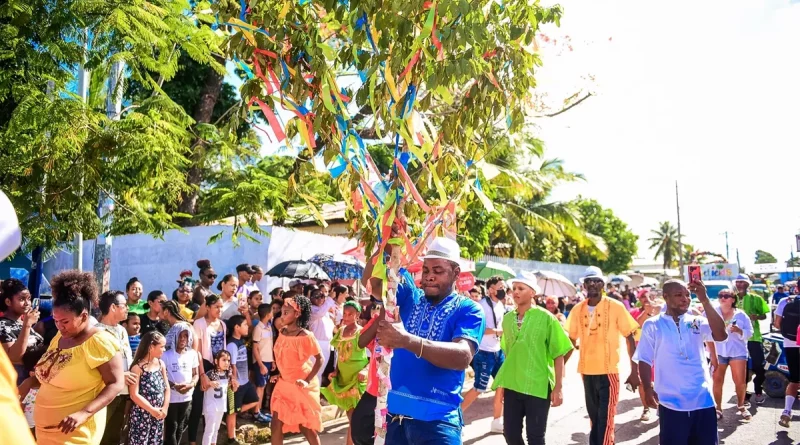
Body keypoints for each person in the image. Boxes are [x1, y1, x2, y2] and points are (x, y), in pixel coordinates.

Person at [365, 233, 485, 444]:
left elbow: (462, 356)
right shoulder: (410, 295)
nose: (429, 276)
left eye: (438, 271)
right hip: (394, 420)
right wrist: (386, 242)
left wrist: (407, 341)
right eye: (426, 270)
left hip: (437, 424)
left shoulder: (469, 309)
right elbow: (372, 284)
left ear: (456, 273)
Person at [34, 270, 125, 445]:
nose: (60, 326)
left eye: (65, 322)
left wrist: (84, 413)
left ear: (83, 316)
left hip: (76, 433)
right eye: (56, 321)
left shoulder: (100, 341)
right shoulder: (60, 338)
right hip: (46, 432)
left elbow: (116, 383)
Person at [635, 279, 728, 445]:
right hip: (670, 401)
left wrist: (705, 300)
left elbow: (721, 335)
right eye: (679, 295)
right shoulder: (653, 325)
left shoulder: (697, 321)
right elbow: (644, 359)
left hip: (702, 399)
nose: (685, 298)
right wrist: (648, 388)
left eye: (687, 294)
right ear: (666, 297)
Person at [492, 273, 572, 445]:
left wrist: (558, 387)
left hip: (538, 386)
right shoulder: (507, 320)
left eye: (521, 288)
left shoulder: (546, 318)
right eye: (514, 289)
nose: (516, 292)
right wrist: (504, 385)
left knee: (535, 438)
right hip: (513, 385)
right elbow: (509, 354)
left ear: (532, 293)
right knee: (510, 434)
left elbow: (560, 353)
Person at [564, 266, 640, 445]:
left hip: (609, 372)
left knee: (606, 421)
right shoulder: (577, 309)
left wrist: (634, 371)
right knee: (595, 419)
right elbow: (570, 342)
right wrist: (555, 372)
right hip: (586, 371)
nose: (592, 285)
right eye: (588, 281)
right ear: (583, 285)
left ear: (603, 284)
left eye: (596, 281)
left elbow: (630, 336)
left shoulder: (615, 306)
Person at [270, 295, 324, 445]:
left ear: (297, 314)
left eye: (286, 312)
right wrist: (280, 373)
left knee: (305, 426)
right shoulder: (282, 331)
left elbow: (320, 359)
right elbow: (285, 356)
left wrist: (306, 381)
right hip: (283, 384)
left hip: (300, 386)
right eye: (281, 312)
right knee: (275, 424)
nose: (282, 316)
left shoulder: (306, 336)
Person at [462, 274, 507, 434]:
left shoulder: (500, 305)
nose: (504, 290)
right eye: (501, 287)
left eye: (504, 287)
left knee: (502, 386)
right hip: (484, 353)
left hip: (497, 352)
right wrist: (497, 331)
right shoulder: (482, 306)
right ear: (491, 289)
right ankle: (456, 420)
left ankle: (497, 421)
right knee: (479, 388)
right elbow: (478, 329)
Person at [321, 301, 369, 445]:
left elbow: (373, 356)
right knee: (351, 416)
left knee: (353, 416)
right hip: (343, 379)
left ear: (358, 315)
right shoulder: (341, 331)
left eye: (350, 314)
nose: (347, 317)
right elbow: (339, 353)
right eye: (345, 314)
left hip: (356, 378)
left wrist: (365, 370)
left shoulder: (362, 332)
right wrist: (336, 370)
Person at [96, 290, 136, 445]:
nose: (127, 308)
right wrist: (120, 376)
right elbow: (98, 366)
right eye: (124, 305)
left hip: (123, 393)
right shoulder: (97, 332)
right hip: (105, 393)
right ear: (113, 307)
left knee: (115, 436)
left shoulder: (121, 330)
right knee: (101, 435)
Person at [188, 294, 227, 445]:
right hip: (203, 365)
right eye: (216, 306)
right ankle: (192, 441)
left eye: (221, 307)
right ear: (208, 307)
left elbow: (223, 351)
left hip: (217, 369)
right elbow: (196, 350)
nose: (219, 309)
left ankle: (210, 441)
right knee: (197, 407)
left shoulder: (223, 325)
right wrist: (202, 374)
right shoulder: (199, 324)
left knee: (212, 409)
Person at [710, 289, 753, 420]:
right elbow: (702, 330)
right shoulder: (712, 312)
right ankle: (718, 408)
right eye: (720, 296)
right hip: (719, 351)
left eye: (726, 296)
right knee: (717, 380)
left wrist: (740, 331)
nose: (723, 298)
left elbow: (750, 332)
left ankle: (741, 406)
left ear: (733, 299)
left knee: (740, 381)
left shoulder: (741, 315)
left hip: (737, 351)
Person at [127, 331, 169, 445]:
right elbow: (134, 394)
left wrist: (165, 407)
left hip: (158, 416)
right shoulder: (137, 368)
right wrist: (151, 410)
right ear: (151, 347)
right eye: (162, 347)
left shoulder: (161, 364)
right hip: (142, 417)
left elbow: (167, 388)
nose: (164, 350)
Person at [225, 315, 261, 444]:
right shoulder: (232, 345)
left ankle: (234, 411)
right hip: (237, 384)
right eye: (245, 324)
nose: (248, 327)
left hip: (245, 381)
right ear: (237, 327)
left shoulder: (241, 341)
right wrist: (234, 382)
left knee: (255, 400)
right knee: (232, 412)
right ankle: (231, 438)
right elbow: (232, 365)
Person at [734, 274, 770, 405]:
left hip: (754, 337)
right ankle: (743, 396)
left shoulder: (756, 298)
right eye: (738, 282)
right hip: (737, 339)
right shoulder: (732, 299)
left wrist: (757, 317)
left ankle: (758, 391)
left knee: (759, 367)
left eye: (742, 282)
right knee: (740, 368)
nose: (740, 285)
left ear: (748, 284)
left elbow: (764, 315)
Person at [0, 279, 44, 384]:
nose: (27, 303)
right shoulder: (2, 325)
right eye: (21, 299)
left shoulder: (22, 323)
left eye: (28, 298)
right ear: (8, 302)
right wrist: (27, 325)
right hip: (18, 382)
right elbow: (14, 357)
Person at [350, 305, 382, 445]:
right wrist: (381, 318)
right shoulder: (378, 319)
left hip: (394, 390)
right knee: (359, 430)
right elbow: (361, 342)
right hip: (373, 389)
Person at [163, 324, 199, 445]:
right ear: (174, 336)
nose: (183, 339)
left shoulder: (192, 354)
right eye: (180, 336)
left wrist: (191, 384)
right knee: (172, 427)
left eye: (185, 336)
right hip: (172, 398)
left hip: (187, 397)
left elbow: (196, 374)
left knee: (181, 426)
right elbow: (162, 376)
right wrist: (174, 386)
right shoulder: (166, 355)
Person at [629, 289, 660, 421]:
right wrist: (646, 312)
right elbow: (636, 326)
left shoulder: (661, 310)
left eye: (649, 297)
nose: (646, 299)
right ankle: (646, 408)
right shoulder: (634, 312)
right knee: (643, 381)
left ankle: (662, 407)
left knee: (660, 380)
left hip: (659, 350)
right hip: (641, 350)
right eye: (642, 297)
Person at [774, 292, 799, 428]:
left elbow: (777, 324)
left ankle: (787, 411)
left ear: (797, 288)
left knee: (794, 379)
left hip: (791, 344)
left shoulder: (785, 301)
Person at [202, 350, 232, 445]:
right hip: (211, 406)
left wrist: (235, 385)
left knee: (216, 430)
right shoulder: (210, 374)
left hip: (221, 406)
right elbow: (202, 388)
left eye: (228, 360)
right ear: (216, 361)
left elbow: (231, 390)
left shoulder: (228, 375)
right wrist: (210, 383)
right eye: (224, 360)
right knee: (209, 431)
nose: (226, 363)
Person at [252, 303, 275, 423]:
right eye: (272, 311)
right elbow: (255, 348)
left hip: (268, 361)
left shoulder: (269, 327)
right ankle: (256, 412)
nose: (273, 313)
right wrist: (260, 365)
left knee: (263, 386)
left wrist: (273, 361)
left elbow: (269, 345)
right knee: (260, 387)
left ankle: (259, 410)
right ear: (267, 314)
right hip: (261, 362)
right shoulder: (258, 328)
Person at [309, 288, 336, 382]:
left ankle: (316, 393)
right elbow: (320, 312)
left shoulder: (325, 312)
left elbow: (331, 327)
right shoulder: (311, 309)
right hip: (316, 343)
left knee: (320, 372)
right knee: (313, 370)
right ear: (311, 298)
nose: (320, 299)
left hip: (327, 344)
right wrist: (330, 298)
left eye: (322, 296)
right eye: (316, 296)